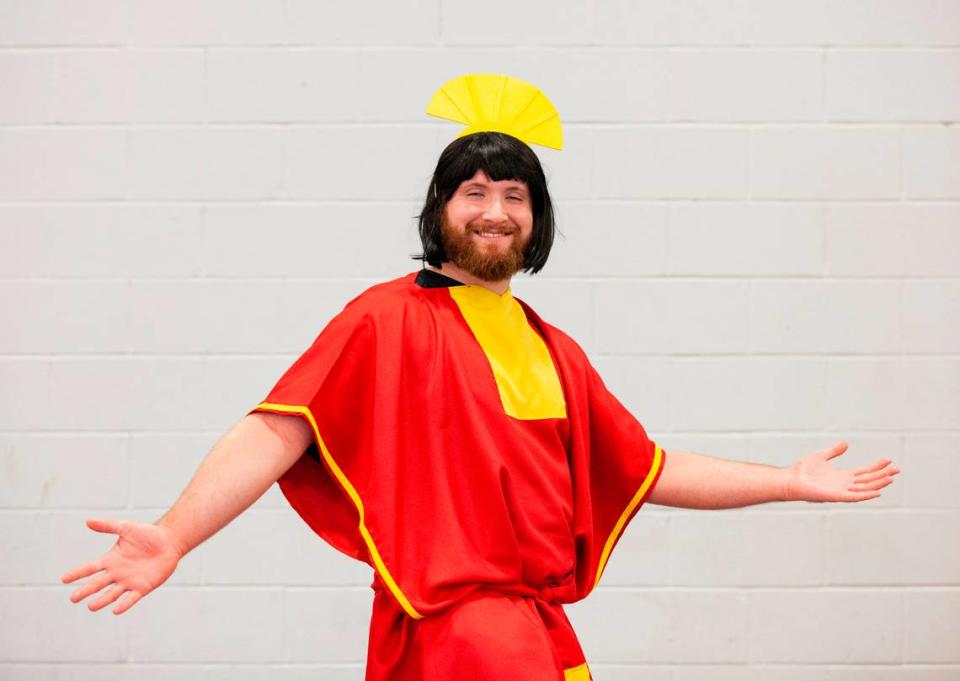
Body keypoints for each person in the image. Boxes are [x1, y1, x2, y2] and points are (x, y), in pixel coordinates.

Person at [62, 74, 899, 681]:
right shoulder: (384, 319)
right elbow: (277, 429)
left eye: (515, 194)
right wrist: (174, 533)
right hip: (455, 637)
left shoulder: (554, 348)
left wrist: (788, 480)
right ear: (439, 213)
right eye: (473, 190)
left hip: (533, 632)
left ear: (536, 223)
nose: (495, 207)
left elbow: (648, 468)